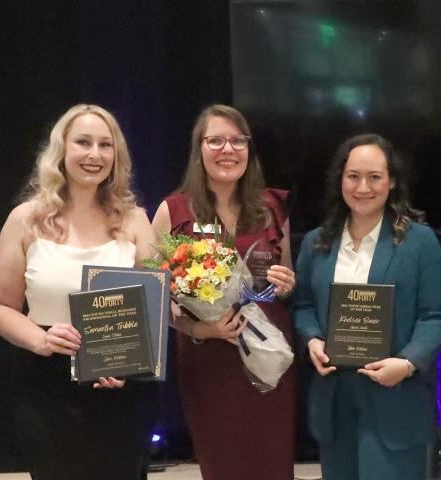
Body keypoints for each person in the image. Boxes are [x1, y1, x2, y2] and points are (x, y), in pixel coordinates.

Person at [0, 104, 156, 480]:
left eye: (105, 145)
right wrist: (41, 339)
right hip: (46, 382)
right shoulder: (25, 219)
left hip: (119, 386)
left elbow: (155, 307)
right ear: (61, 150)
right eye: (83, 142)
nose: (94, 154)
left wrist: (130, 363)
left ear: (116, 156)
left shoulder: (136, 220)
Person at [148, 104, 297, 479]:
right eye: (215, 140)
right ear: (199, 149)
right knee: (223, 465)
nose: (227, 150)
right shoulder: (173, 211)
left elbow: (287, 278)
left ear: (249, 148)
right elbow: (151, 305)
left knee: (273, 464)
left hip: (269, 353)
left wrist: (287, 282)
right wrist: (202, 330)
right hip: (209, 363)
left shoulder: (272, 209)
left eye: (237, 140)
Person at [293, 133, 441, 479]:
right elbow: (303, 305)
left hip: (396, 396)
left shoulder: (420, 242)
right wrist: (313, 340)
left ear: (392, 182)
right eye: (353, 176)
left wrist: (407, 363)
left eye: (375, 177)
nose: (363, 187)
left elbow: (435, 316)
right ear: (341, 180)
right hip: (335, 399)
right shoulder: (317, 243)